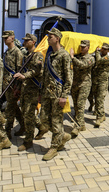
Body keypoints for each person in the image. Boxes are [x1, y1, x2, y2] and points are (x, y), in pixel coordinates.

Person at [40, 28, 73, 161]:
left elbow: (69, 77)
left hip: (58, 94)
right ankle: (63, 136)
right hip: (47, 93)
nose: (48, 38)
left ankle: (54, 147)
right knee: (43, 120)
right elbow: (45, 76)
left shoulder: (64, 55)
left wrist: (64, 96)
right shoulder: (49, 56)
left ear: (57, 39)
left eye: (50, 37)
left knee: (56, 121)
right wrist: (41, 93)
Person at [13, 33, 45, 151]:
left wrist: (24, 76)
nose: (24, 42)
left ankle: (28, 141)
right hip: (25, 89)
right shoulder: (27, 55)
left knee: (29, 115)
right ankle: (41, 127)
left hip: (33, 89)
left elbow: (36, 70)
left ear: (32, 42)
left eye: (27, 41)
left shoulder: (38, 55)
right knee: (26, 113)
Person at [2, 30, 24, 139]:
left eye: (7, 38)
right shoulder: (7, 52)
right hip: (6, 85)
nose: (5, 40)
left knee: (10, 109)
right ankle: (24, 125)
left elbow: (19, 71)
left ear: (12, 38)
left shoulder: (17, 52)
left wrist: (17, 87)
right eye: (4, 38)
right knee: (14, 107)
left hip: (13, 86)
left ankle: (7, 131)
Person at [70, 40, 94, 136]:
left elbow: (83, 65)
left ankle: (77, 126)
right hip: (75, 84)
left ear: (88, 47)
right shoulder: (77, 56)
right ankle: (82, 124)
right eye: (81, 46)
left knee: (80, 105)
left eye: (84, 47)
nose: (82, 48)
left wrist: (72, 57)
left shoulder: (91, 58)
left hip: (85, 84)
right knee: (75, 105)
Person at [92, 43, 109, 128]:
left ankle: (99, 117)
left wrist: (96, 52)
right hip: (96, 81)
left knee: (100, 99)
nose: (102, 50)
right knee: (97, 98)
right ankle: (102, 114)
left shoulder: (108, 58)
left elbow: (99, 61)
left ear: (107, 50)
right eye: (102, 49)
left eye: (104, 49)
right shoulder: (98, 56)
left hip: (103, 82)